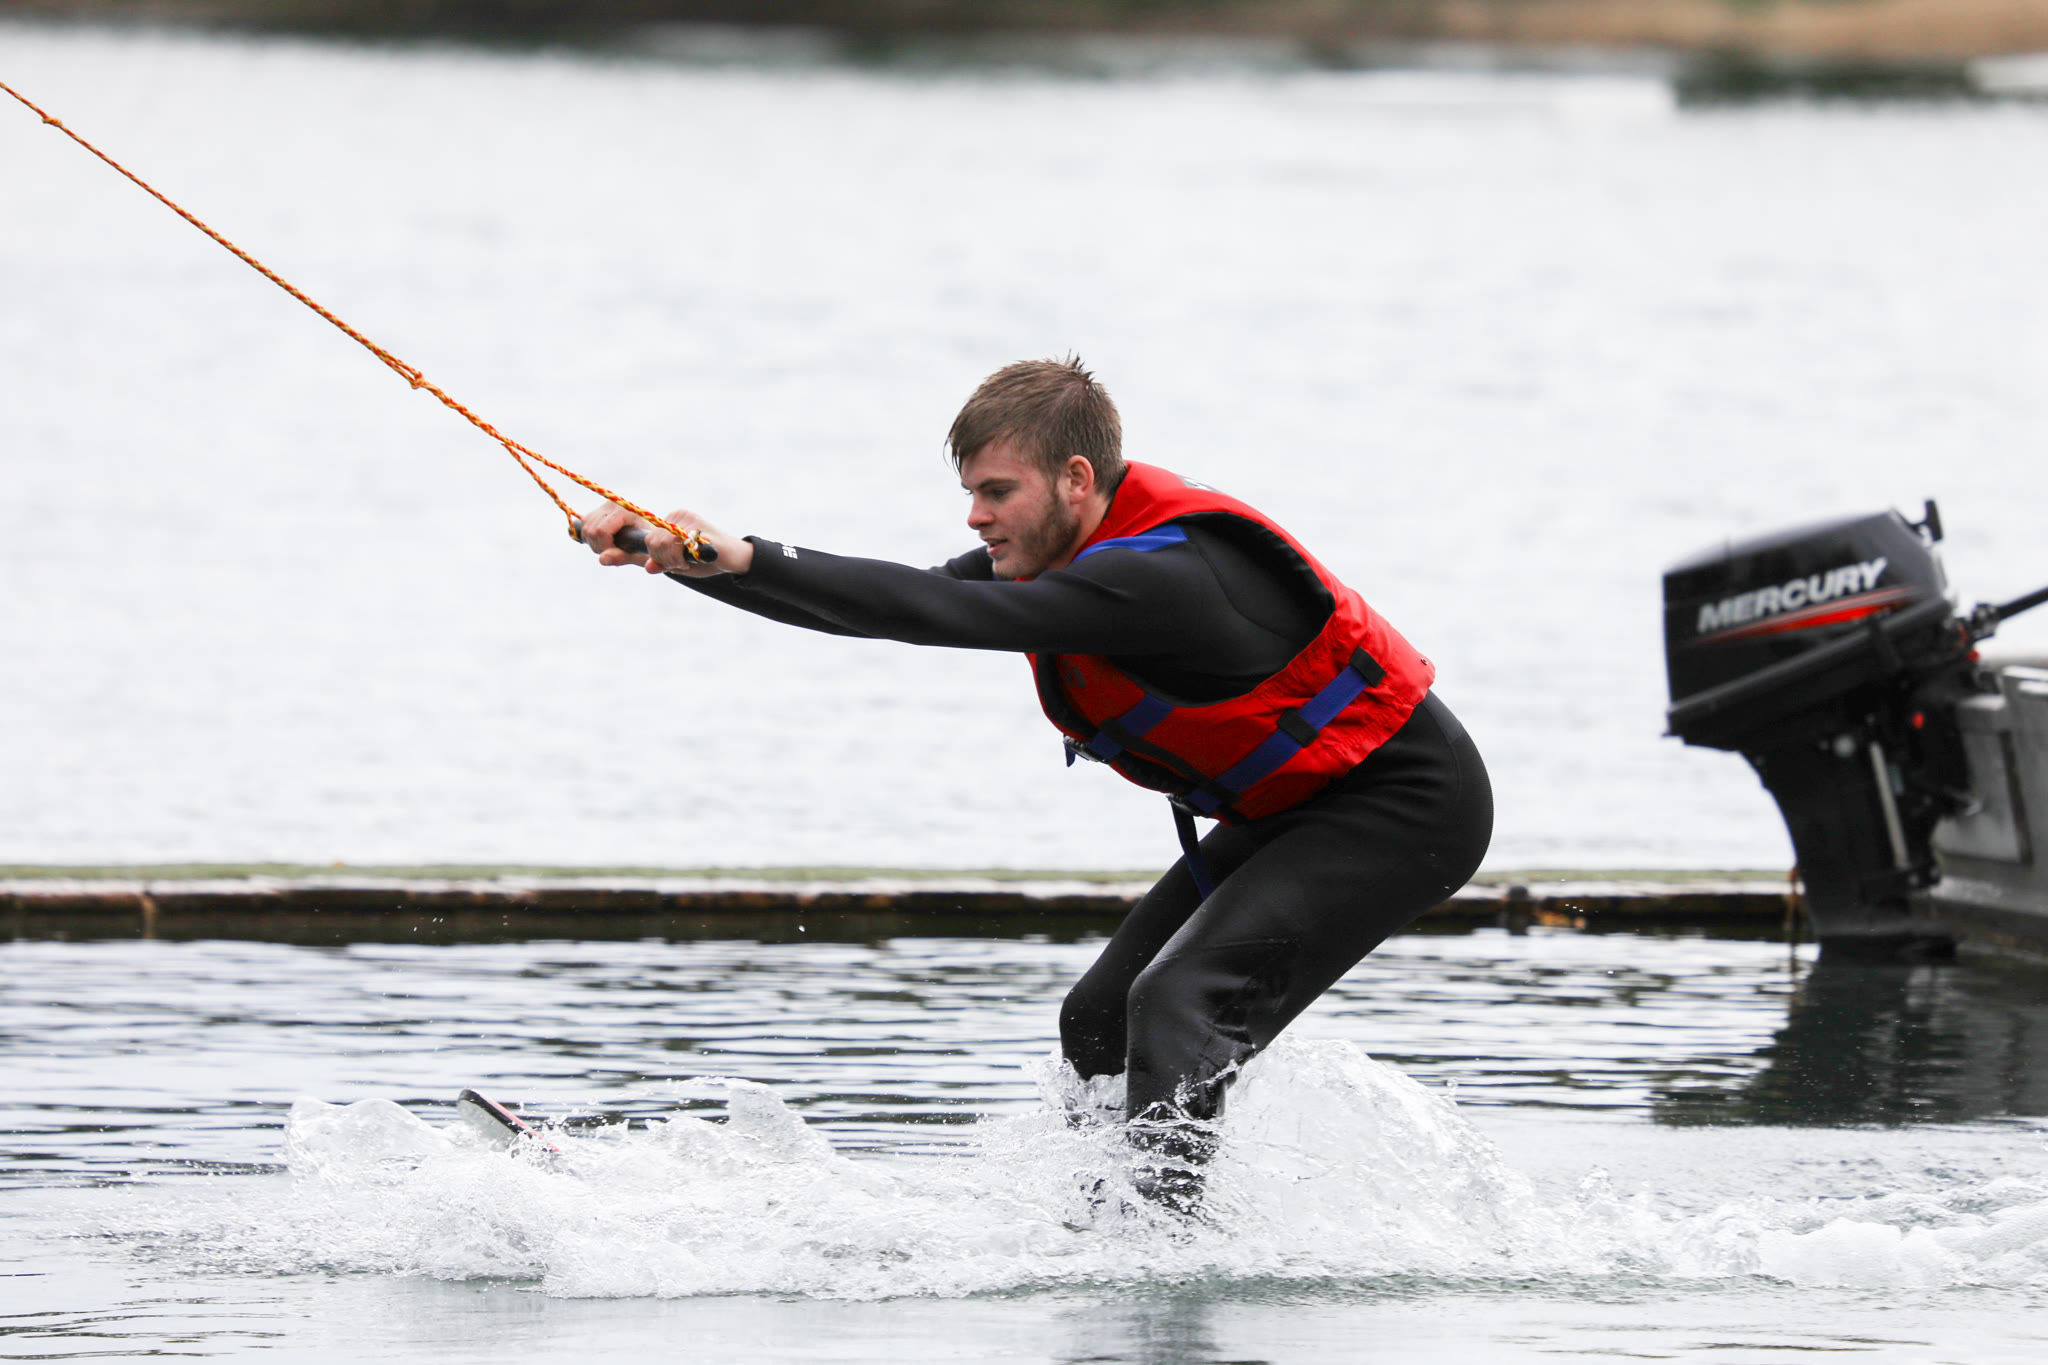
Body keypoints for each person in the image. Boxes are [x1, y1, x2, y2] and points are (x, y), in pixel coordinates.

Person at [579, 357, 1493, 1212]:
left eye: (996, 491)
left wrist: (742, 551)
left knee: (1176, 1000)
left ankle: (1159, 1245)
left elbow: (934, 609)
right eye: (970, 494)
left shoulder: (1166, 577)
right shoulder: (1075, 558)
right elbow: (887, 605)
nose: (975, 518)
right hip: (1298, 805)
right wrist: (679, 557)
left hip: (1407, 804)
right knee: (1097, 1018)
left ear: (1076, 479)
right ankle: (1108, 1213)